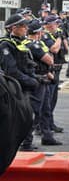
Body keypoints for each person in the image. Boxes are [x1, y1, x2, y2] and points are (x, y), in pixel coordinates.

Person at [0, 14, 39, 151]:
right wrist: (31, 81)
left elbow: (26, 64)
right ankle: (19, 145)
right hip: (14, 88)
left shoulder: (19, 42)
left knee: (30, 116)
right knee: (20, 118)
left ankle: (27, 142)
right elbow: (11, 71)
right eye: (23, 26)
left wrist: (37, 77)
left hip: (24, 85)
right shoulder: (5, 44)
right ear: (13, 28)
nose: (26, 29)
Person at [24, 19, 62, 145]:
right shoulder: (33, 44)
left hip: (44, 78)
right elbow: (49, 59)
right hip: (37, 80)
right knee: (35, 111)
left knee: (46, 109)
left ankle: (47, 136)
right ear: (37, 32)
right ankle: (26, 141)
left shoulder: (36, 43)